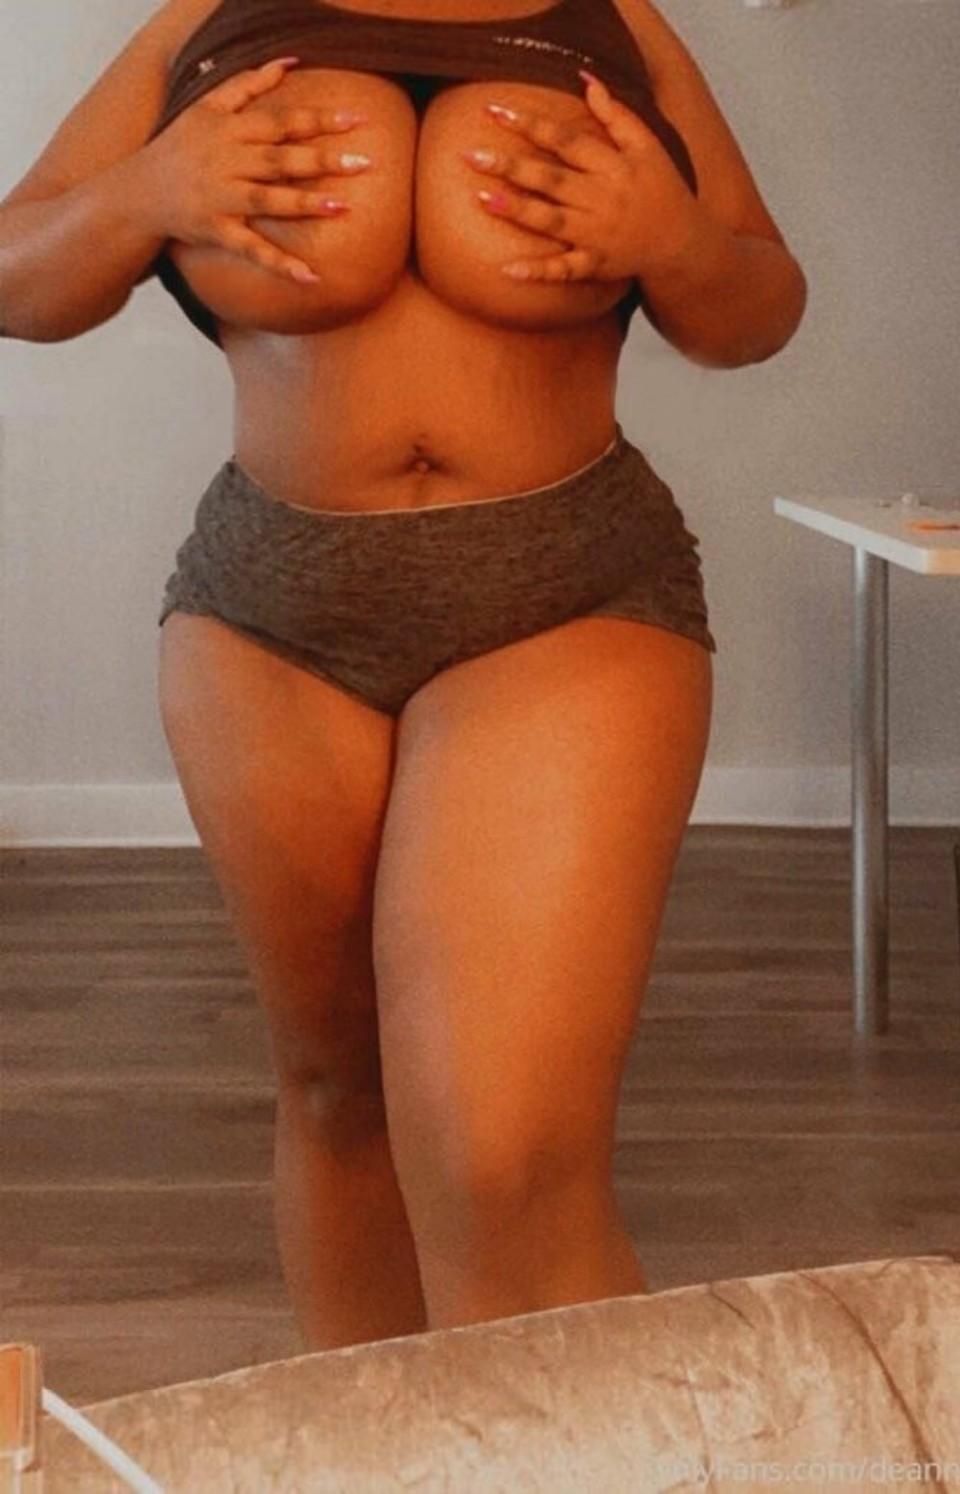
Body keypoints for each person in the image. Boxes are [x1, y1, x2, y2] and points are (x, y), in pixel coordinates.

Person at [0, 0, 806, 1355]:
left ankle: (581, 1448)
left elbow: (760, 309)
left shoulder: (613, 24)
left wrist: (674, 241)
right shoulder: (208, 20)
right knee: (338, 1093)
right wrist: (149, 191)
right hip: (270, 618)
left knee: (504, 1158)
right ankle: (380, 1444)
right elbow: (15, 278)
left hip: (562, 597)